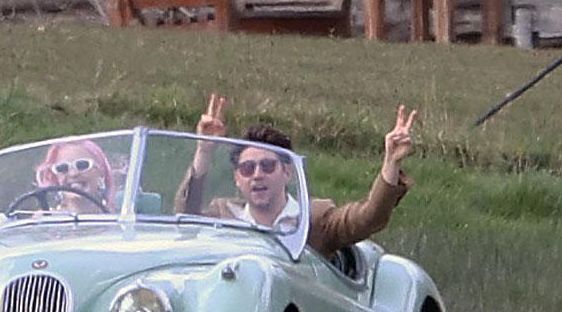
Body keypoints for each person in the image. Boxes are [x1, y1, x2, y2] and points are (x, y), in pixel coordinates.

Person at [175, 93, 416, 257]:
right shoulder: (223, 215)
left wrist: (391, 162)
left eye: (268, 166)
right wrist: (204, 150)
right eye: (248, 169)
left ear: (287, 172)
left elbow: (368, 217)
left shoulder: (314, 218)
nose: (257, 175)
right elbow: (184, 218)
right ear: (237, 179)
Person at [34, 139, 118, 213]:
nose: (73, 174)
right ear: (55, 178)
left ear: (101, 171)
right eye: (62, 168)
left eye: (82, 165)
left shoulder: (121, 217)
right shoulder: (46, 222)